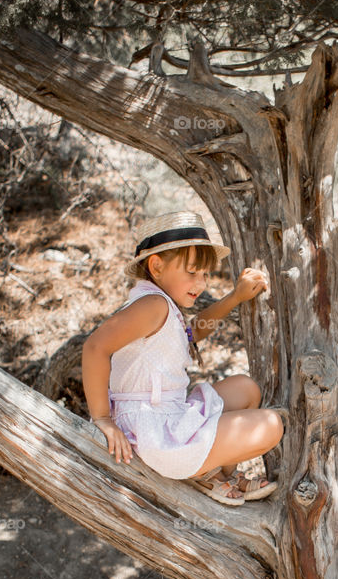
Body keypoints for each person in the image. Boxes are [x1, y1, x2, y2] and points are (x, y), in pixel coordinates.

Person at [82, 210, 284, 505]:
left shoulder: (161, 305)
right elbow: (95, 347)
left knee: (246, 389)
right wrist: (102, 418)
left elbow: (192, 334)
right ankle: (210, 475)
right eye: (192, 272)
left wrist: (235, 298)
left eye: (205, 275)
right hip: (153, 432)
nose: (201, 284)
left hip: (169, 417)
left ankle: (219, 476)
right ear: (156, 266)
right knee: (271, 425)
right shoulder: (152, 305)